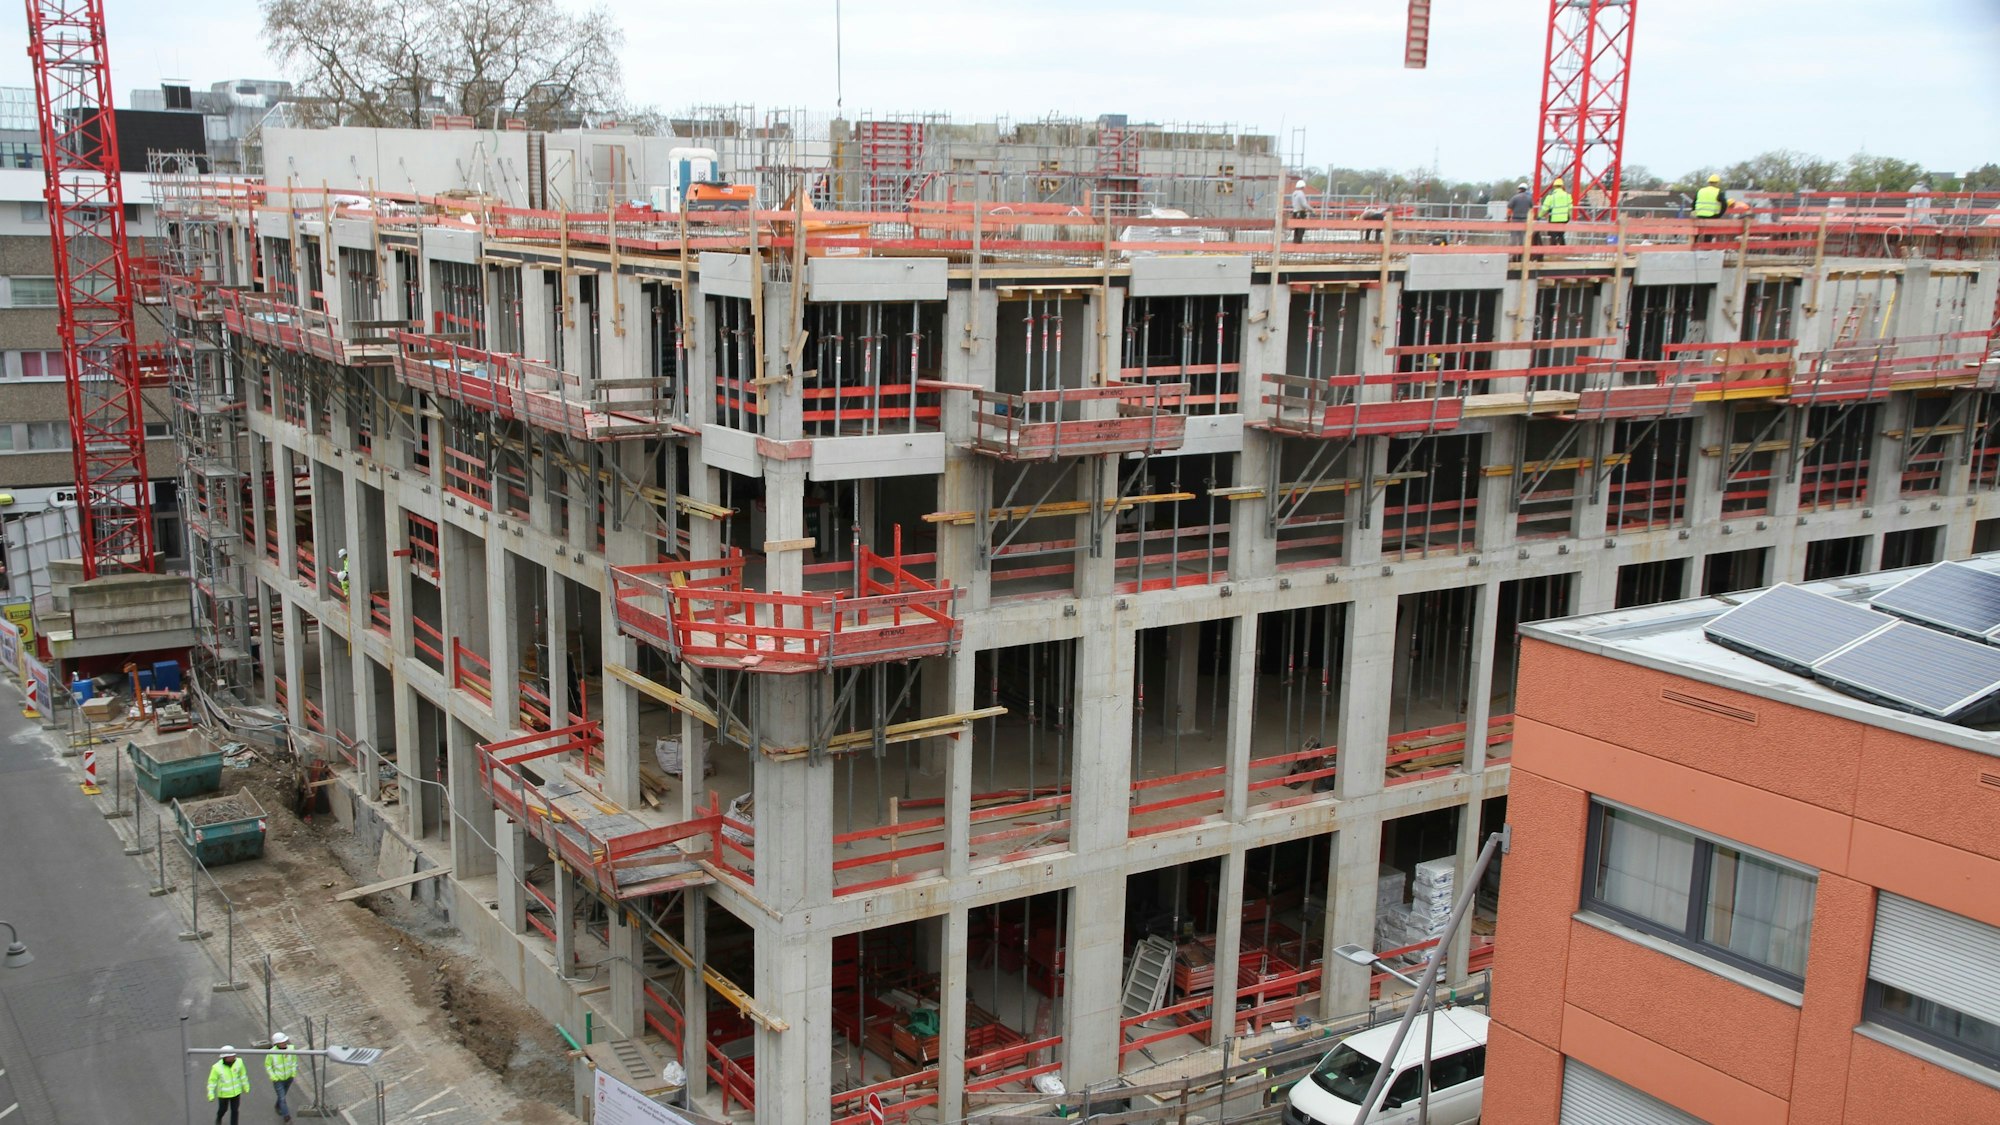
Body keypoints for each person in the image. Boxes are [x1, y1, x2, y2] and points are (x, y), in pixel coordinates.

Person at [207, 1046, 250, 1125]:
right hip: (224, 1094)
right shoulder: (216, 1067)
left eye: (234, 1055)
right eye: (232, 1056)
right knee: (223, 1109)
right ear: (225, 1057)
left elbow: (243, 1075)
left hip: (236, 1093)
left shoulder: (239, 1062)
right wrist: (211, 1094)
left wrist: (246, 1086)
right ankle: (219, 1117)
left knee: (235, 1110)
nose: (234, 1057)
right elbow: (212, 1081)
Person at [266, 1032, 299, 1123]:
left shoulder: (291, 1049)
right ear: (277, 1043)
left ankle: (277, 1105)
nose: (285, 1043)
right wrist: (273, 1077)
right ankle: (287, 1117)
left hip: (289, 1078)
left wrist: (293, 1073)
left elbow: (294, 1061)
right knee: (283, 1098)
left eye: (285, 1041)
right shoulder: (271, 1053)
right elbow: (268, 1066)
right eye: (283, 1041)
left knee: (282, 1096)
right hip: (278, 1080)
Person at [1539, 177, 1573, 245]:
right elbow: (1570, 209)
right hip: (1564, 219)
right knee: (1561, 234)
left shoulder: (1551, 197)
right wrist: (1570, 218)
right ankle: (1563, 250)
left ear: (1554, 186)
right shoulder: (1568, 196)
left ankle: (1553, 249)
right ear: (1562, 186)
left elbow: (1544, 208)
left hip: (1553, 219)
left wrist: (1539, 216)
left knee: (1552, 235)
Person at [1290, 179, 1310, 243]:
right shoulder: (1301, 194)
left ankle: (1295, 242)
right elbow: (1304, 204)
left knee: (1296, 229)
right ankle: (1298, 243)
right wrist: (1311, 209)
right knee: (1301, 229)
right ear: (1303, 187)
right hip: (1301, 212)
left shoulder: (1294, 193)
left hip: (1295, 212)